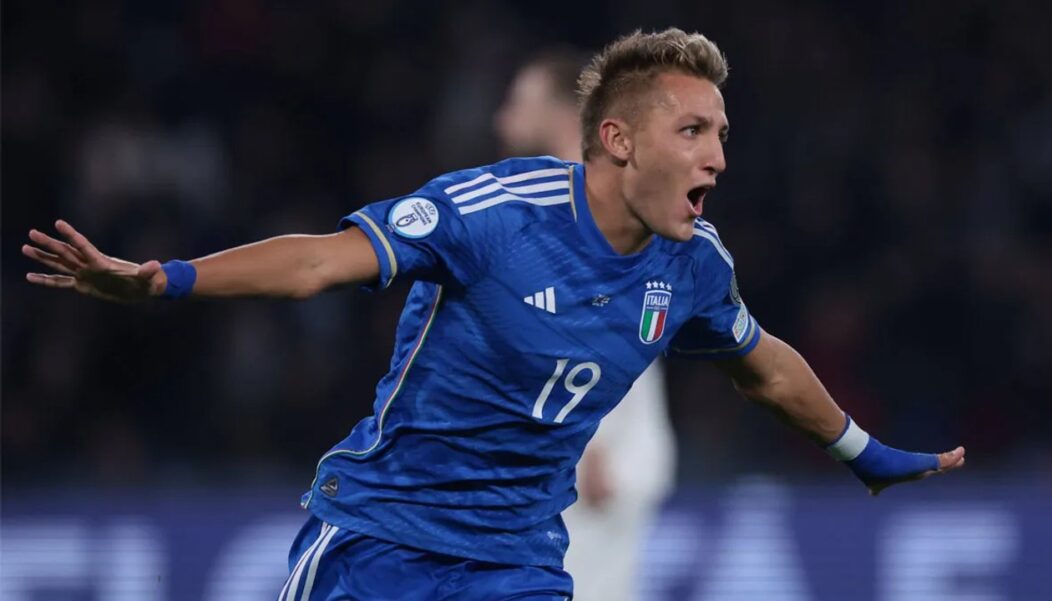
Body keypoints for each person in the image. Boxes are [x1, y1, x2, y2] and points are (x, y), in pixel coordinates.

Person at [23, 28, 966, 601]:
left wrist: (864, 455)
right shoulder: (493, 213)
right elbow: (315, 261)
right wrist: (164, 281)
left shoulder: (693, 267)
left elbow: (762, 364)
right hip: (382, 538)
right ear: (617, 139)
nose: (719, 155)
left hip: (515, 560)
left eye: (721, 133)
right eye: (694, 130)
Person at [495, 48, 675, 601]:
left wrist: (593, 445)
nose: (500, 120)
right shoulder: (548, 201)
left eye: (516, 103)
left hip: (588, 470)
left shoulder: (596, 207)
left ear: (558, 113)